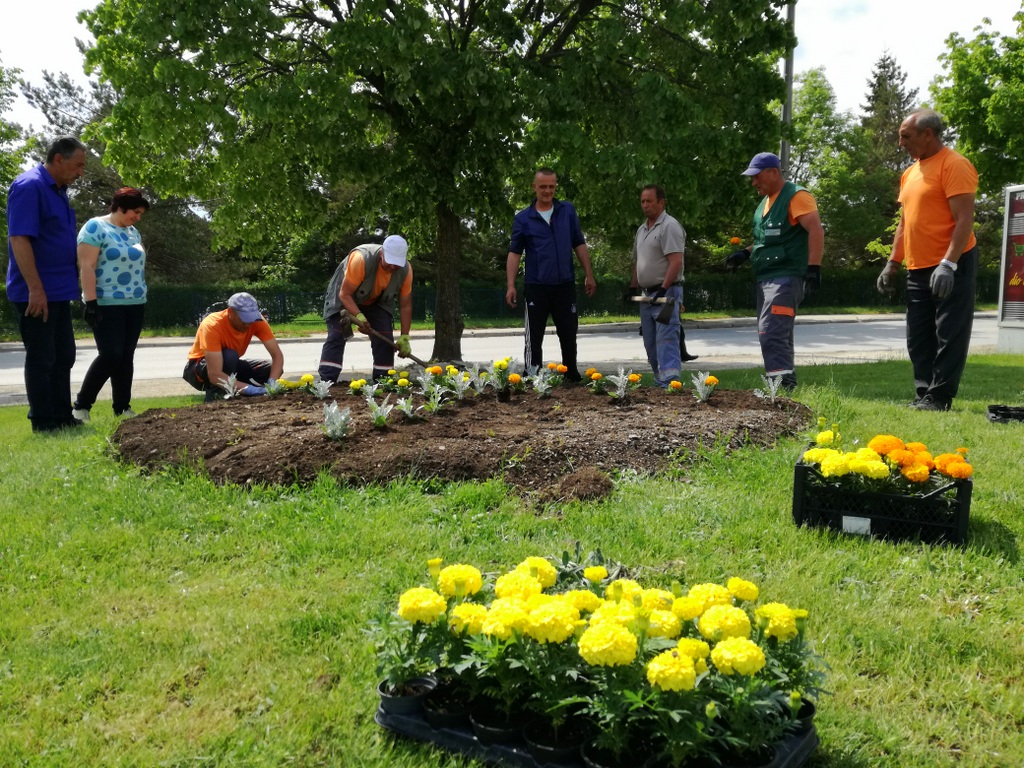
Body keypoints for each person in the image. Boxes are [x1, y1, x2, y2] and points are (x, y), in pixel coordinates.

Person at [876, 109, 979, 412]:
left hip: (951, 263)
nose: (900, 143)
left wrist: (949, 264)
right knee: (918, 336)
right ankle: (924, 393)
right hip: (917, 266)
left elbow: (964, 221)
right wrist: (892, 263)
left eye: (905, 136)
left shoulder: (954, 165)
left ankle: (940, 397)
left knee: (949, 332)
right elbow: (905, 222)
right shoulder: (910, 172)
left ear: (927, 134)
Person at [6, 136, 88, 433]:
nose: (81, 172)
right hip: (36, 291)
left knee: (63, 355)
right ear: (58, 159)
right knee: (42, 358)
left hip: (58, 290)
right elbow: (19, 239)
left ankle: (62, 415)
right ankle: (43, 421)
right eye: (78, 165)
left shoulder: (59, 190)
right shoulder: (30, 186)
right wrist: (35, 289)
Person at [725, 152, 824, 390]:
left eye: (757, 176)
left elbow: (816, 230)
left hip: (786, 277)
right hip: (766, 278)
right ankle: (784, 386)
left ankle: (780, 386)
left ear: (773, 172)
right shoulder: (764, 204)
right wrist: (745, 253)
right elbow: (765, 241)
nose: (753, 182)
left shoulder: (796, 196)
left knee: (771, 332)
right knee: (775, 332)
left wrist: (813, 268)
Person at [506, 168, 597, 379]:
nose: (548, 191)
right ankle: (532, 375)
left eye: (551, 186)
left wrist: (589, 274)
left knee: (568, 332)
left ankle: (571, 375)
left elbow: (579, 243)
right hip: (536, 286)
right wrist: (511, 285)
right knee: (534, 337)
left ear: (555, 186)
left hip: (564, 285)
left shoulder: (567, 211)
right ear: (534, 187)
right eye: (543, 187)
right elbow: (514, 253)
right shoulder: (523, 218)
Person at [71, 187, 150, 422]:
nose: (137, 217)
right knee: (111, 354)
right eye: (134, 212)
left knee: (126, 356)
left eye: (140, 214)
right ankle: (81, 406)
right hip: (106, 302)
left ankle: (122, 408)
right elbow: (86, 266)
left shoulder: (133, 232)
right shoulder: (95, 227)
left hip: (135, 301)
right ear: (120, 207)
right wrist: (91, 302)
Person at [317, 235, 414, 383]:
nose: (393, 267)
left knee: (385, 340)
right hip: (344, 297)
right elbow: (345, 294)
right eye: (390, 262)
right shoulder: (361, 260)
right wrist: (359, 317)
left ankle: (383, 382)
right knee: (337, 335)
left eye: (397, 263)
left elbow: (405, 305)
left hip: (376, 301)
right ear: (382, 254)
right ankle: (326, 383)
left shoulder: (406, 271)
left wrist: (405, 336)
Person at [629, 184, 687, 387]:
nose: (645, 205)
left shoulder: (669, 226)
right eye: (642, 201)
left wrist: (663, 288)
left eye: (649, 201)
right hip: (646, 297)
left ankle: (671, 384)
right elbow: (638, 262)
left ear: (661, 202)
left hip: (666, 295)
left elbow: (675, 261)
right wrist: (632, 287)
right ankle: (659, 381)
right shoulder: (642, 229)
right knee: (650, 343)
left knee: (667, 340)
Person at [182, 292, 284, 399]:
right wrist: (250, 389)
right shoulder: (212, 325)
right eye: (243, 319)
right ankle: (216, 399)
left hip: (229, 367)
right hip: (200, 371)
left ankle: (243, 395)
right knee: (230, 355)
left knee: (272, 368)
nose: (247, 324)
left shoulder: (257, 321)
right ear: (230, 311)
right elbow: (214, 375)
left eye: (250, 319)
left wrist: (272, 383)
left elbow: (277, 356)